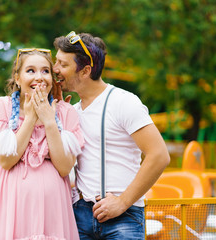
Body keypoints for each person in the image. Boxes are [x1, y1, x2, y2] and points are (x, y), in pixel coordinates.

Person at [53, 31, 171, 239]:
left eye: (63, 64)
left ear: (85, 71)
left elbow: (159, 155)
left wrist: (123, 202)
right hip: (80, 214)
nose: (55, 70)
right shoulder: (72, 110)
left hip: (123, 216)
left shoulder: (124, 102)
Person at [0, 48, 84, 240]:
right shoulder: (2, 107)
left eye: (45, 71)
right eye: (30, 71)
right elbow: (7, 161)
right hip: (10, 212)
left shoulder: (66, 112)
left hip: (53, 215)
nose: (39, 77)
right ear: (17, 78)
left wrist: (49, 121)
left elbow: (65, 167)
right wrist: (31, 118)